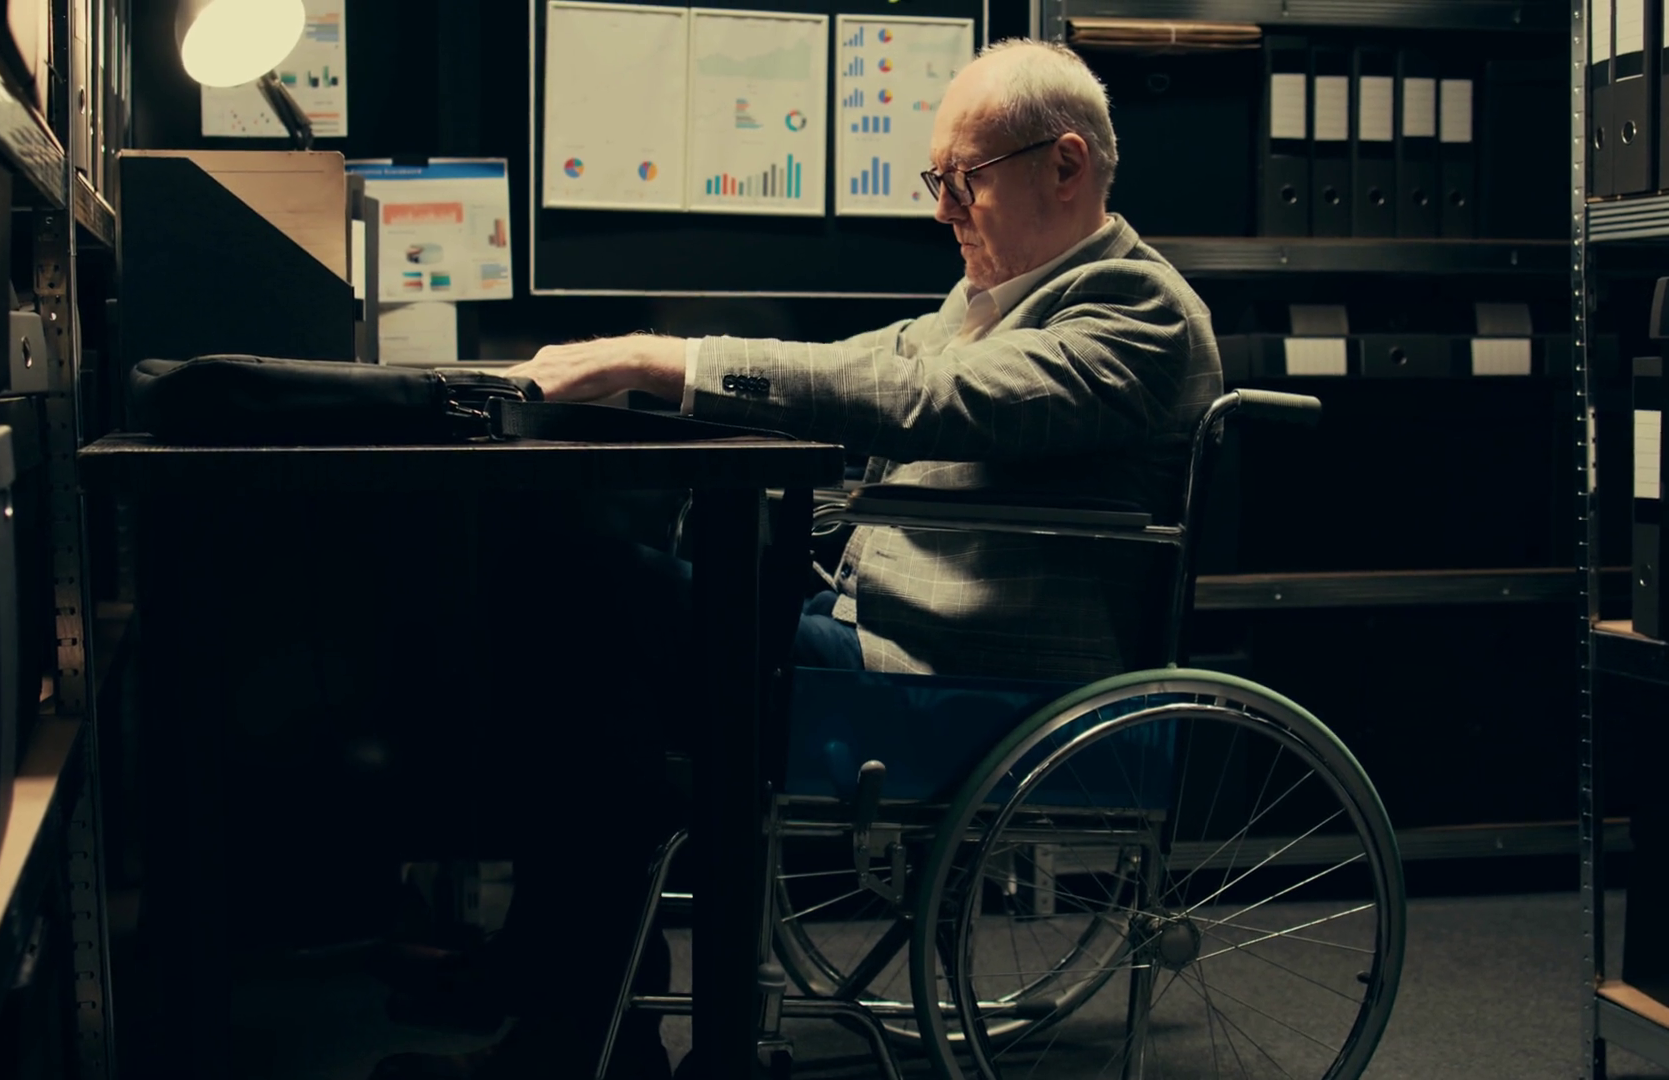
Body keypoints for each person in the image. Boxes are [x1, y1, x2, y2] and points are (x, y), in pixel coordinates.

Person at [376, 37, 1221, 1079]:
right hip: (876, 640)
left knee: (589, 607)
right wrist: (652, 372)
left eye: (964, 181)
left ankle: (572, 1017)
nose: (944, 211)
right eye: (936, 182)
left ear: (1065, 164)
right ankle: (567, 993)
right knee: (577, 604)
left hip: (967, 683)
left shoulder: (1138, 311)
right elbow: (854, 367)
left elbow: (931, 400)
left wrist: (662, 359)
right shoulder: (985, 304)